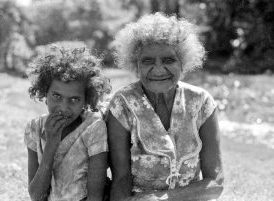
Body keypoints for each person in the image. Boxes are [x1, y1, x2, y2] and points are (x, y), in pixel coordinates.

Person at [106, 13, 224, 201]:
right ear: (135, 64)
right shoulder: (122, 105)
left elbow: (215, 182)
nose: (159, 69)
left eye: (168, 60)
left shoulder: (202, 102)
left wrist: (162, 198)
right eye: (148, 61)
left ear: (183, 62)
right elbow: (121, 178)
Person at [24, 45, 111, 201]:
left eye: (75, 99)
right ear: (45, 92)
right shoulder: (34, 129)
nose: (64, 108)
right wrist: (51, 144)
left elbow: (95, 196)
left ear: (87, 99)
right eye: (56, 96)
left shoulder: (93, 128)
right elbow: (36, 196)